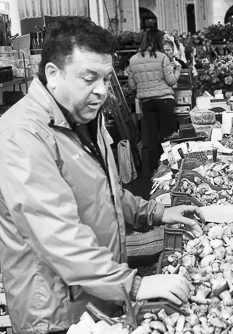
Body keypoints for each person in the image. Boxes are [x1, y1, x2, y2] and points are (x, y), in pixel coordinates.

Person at [0, 17, 205, 334]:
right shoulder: (22, 135)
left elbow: (105, 192)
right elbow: (55, 232)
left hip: (99, 296)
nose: (102, 91)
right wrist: (132, 285)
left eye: (107, 79)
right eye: (88, 78)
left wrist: (155, 212)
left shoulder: (84, 119)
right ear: (53, 74)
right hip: (57, 312)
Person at [129, 29, 181, 174]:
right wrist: (177, 70)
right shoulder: (162, 57)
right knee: (167, 136)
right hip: (164, 101)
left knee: (151, 136)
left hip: (146, 102)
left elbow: (132, 85)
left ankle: (155, 170)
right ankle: (172, 167)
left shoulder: (133, 59)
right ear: (157, 40)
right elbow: (171, 81)